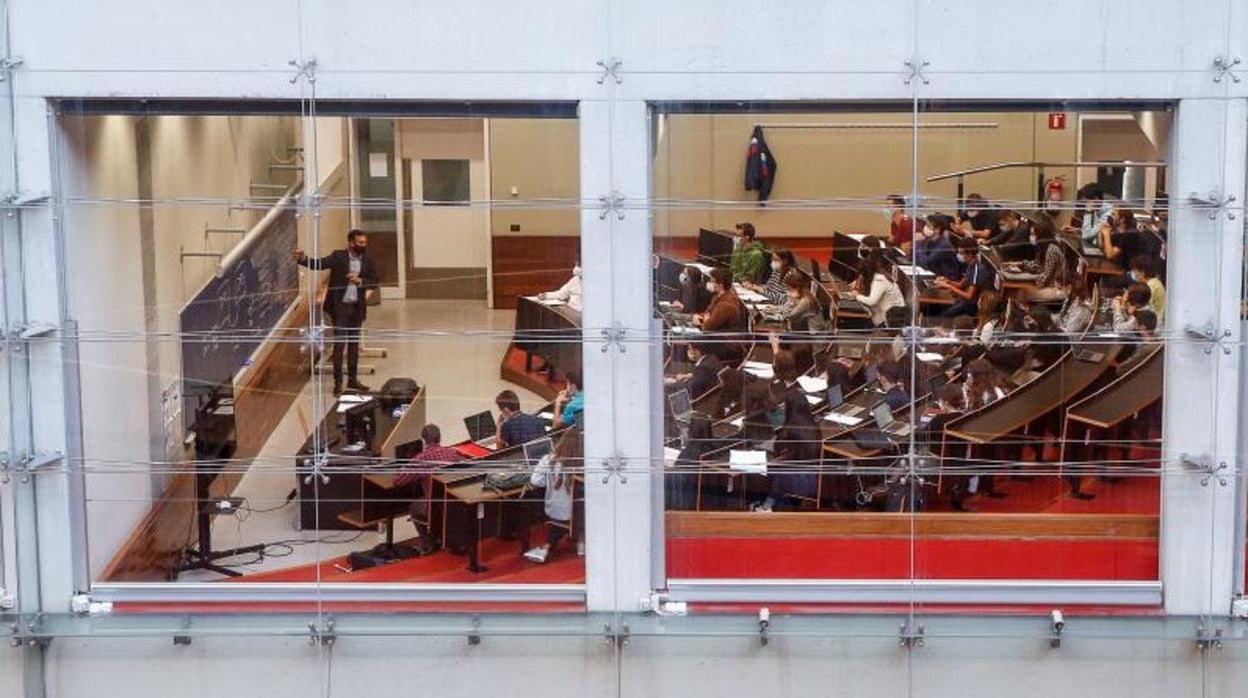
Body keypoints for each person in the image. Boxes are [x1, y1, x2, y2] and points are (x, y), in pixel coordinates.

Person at [295, 229, 379, 395]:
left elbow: (375, 280)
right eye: (360, 243)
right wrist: (303, 259)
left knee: (353, 345)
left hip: (357, 307)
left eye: (365, 243)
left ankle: (353, 380)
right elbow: (319, 264)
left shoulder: (369, 259)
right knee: (339, 346)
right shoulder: (338, 256)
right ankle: (338, 382)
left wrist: (360, 281)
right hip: (340, 307)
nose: (364, 245)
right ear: (351, 243)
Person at [395, 423, 463, 544]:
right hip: (453, 503)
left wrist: (401, 469)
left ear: (424, 440)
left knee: (413, 506)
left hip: (433, 507)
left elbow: (399, 481)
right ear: (440, 437)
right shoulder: (452, 453)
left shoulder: (421, 460)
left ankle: (427, 542)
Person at [523, 430, 581, 563]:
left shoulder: (548, 459)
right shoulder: (583, 463)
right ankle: (581, 542)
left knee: (562, 520)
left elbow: (535, 481)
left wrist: (550, 482)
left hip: (553, 510)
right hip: (576, 513)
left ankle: (545, 548)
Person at [694, 267, 748, 363]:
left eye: (712, 281)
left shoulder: (726, 304)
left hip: (727, 344)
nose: (710, 284)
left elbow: (707, 327)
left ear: (720, 284)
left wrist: (702, 320)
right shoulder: (718, 297)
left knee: (693, 339)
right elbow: (706, 314)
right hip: (718, 336)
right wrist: (704, 318)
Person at [936, 237, 994, 317]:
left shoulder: (977, 269)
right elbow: (961, 284)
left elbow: (969, 296)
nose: (958, 255)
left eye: (961, 253)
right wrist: (947, 281)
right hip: (964, 301)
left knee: (943, 316)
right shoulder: (970, 265)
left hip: (972, 307)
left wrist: (949, 286)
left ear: (969, 254)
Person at [848, 250, 904, 326]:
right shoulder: (878, 276)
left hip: (889, 320)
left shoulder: (880, 280)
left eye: (863, 274)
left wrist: (856, 295)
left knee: (850, 323)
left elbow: (871, 301)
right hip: (883, 315)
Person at [1021, 217, 1068, 302]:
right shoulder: (1042, 247)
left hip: (1056, 288)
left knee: (1024, 293)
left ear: (1041, 235)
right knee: (1021, 291)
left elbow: (1046, 276)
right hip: (1048, 284)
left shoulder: (1051, 249)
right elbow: (1038, 266)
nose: (1031, 237)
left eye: (1033, 234)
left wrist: (1030, 283)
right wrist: (1021, 264)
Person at [1065, 183, 1112, 249]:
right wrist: (1078, 230)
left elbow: (1086, 236)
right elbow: (1093, 232)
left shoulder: (1108, 214)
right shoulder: (1098, 209)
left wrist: (1088, 212)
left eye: (1086, 202)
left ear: (1096, 199)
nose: (1085, 205)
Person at [914, 214, 961, 279]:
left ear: (937, 230)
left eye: (928, 226)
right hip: (935, 276)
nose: (925, 228)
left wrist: (918, 243)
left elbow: (927, 263)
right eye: (925, 225)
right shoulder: (929, 241)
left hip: (948, 280)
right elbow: (917, 260)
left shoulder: (944, 245)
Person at [1129, 255, 1166, 324]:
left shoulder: (1151, 285)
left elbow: (1140, 306)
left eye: (1134, 270)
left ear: (1142, 272)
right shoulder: (1153, 283)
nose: (1133, 273)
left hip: (1153, 326)